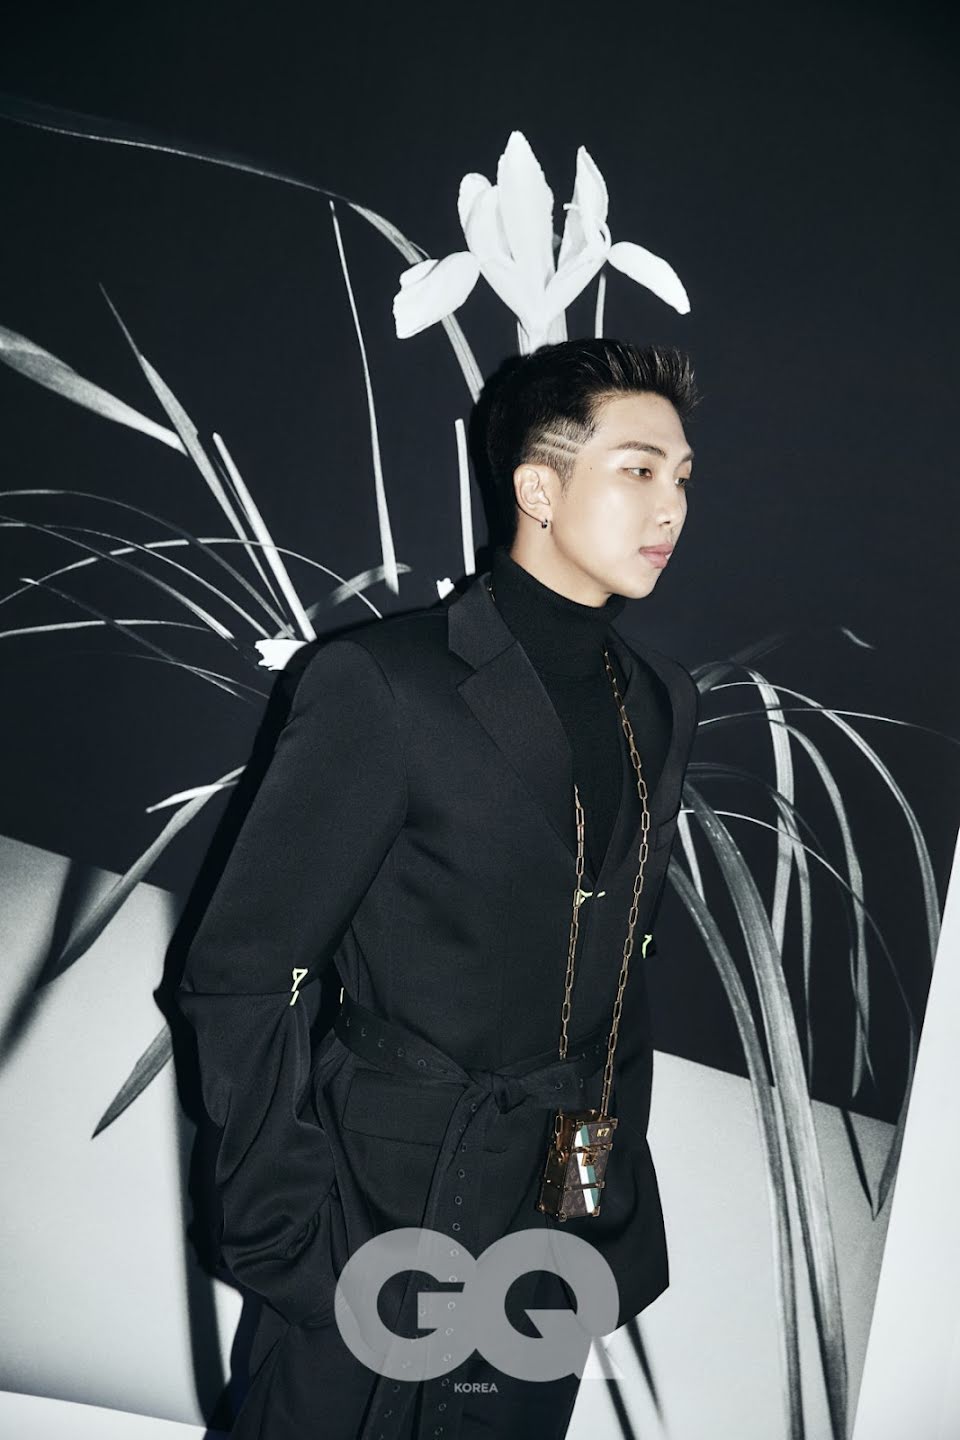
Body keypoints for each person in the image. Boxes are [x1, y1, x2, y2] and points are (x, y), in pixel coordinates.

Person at [176, 337, 702, 1440]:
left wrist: (593, 1212)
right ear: (538, 489)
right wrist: (288, 1232)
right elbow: (239, 974)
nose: (672, 507)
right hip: (372, 1210)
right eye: (640, 469)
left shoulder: (660, 701)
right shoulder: (384, 684)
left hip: (547, 1234)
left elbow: (614, 985)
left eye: (684, 477)